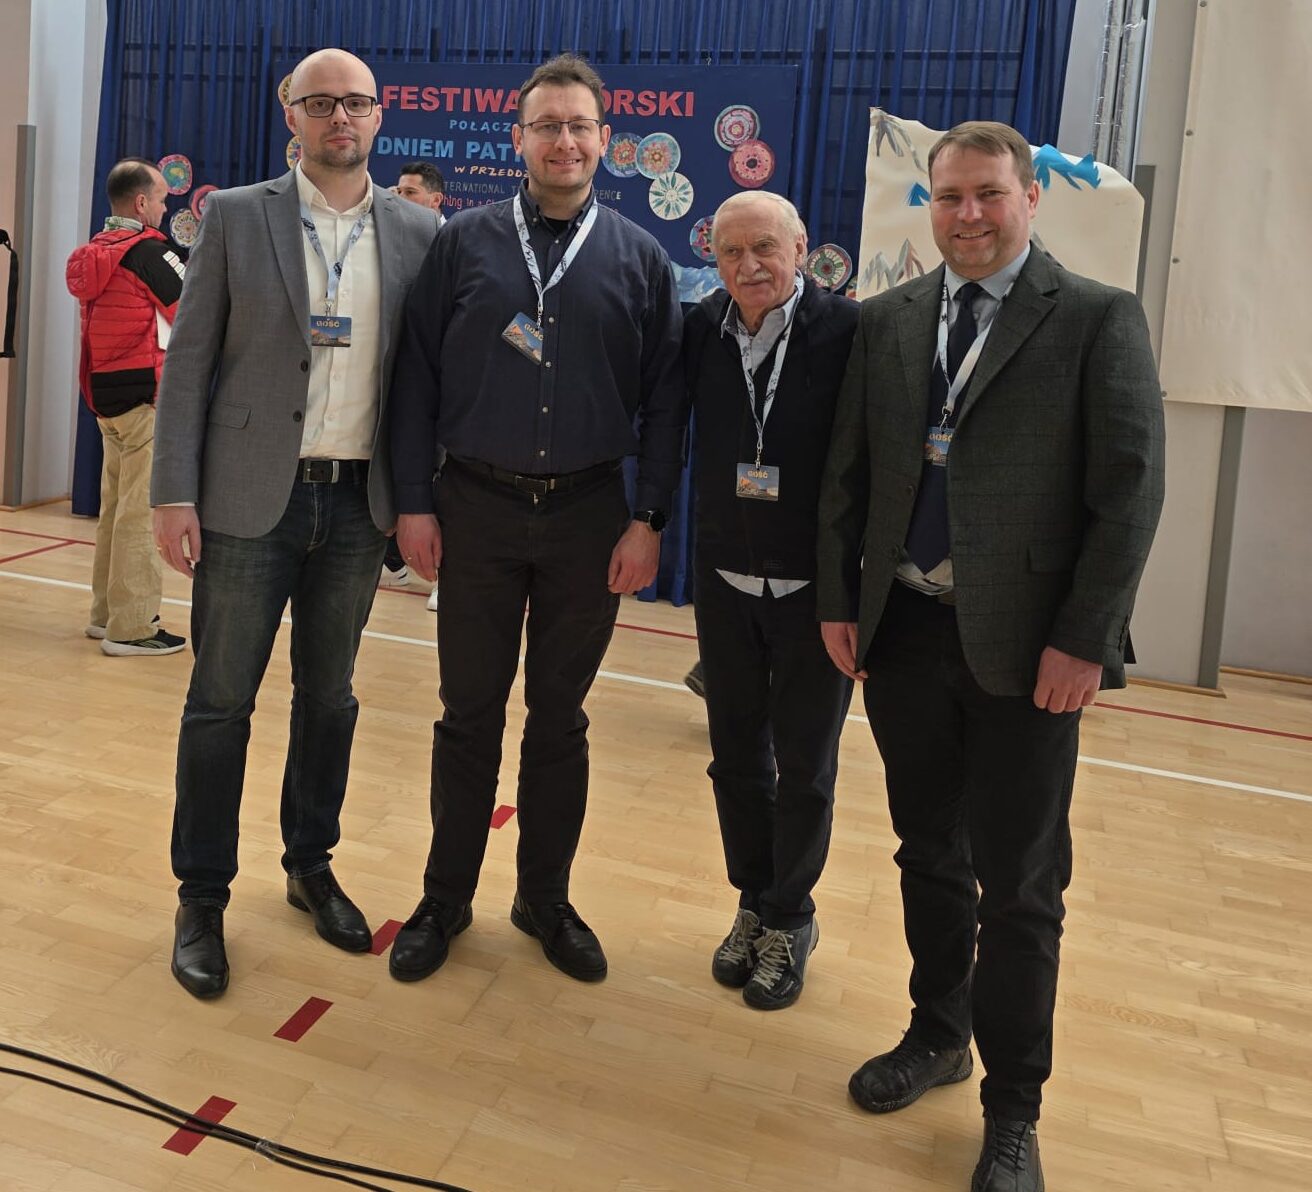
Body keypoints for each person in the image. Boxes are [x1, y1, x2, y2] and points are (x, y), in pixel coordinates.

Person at [817, 121, 1165, 1191]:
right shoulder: (888, 319)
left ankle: (1014, 1110)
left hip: (1029, 653)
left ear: (1029, 199)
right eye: (949, 196)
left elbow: (1129, 496)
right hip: (905, 633)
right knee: (927, 852)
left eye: (988, 194)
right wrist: (842, 603)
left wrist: (1083, 640)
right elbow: (847, 476)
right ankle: (938, 1033)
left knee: (1019, 889)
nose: (967, 214)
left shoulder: (1096, 318)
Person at [386, 54, 684, 985]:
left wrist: (649, 518)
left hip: (589, 518)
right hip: (473, 509)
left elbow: (666, 404)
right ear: (517, 139)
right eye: (546, 125)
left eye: (579, 125)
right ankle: (444, 898)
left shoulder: (640, 259)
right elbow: (414, 378)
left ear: (605, 140)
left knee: (560, 721)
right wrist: (413, 502)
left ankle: (544, 899)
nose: (563, 140)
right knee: (467, 715)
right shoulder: (462, 243)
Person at [150, 48, 440, 999]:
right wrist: (172, 491)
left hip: (358, 505)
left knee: (331, 700)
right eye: (321, 103)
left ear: (379, 115)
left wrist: (423, 500)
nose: (339, 118)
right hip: (244, 501)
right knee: (219, 703)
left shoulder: (418, 230)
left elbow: (426, 381)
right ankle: (202, 895)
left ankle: (310, 864)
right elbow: (189, 361)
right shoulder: (237, 216)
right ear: (292, 115)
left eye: (355, 103)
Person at [685, 192, 857, 1010]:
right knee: (734, 757)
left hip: (815, 592)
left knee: (806, 767)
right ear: (714, 259)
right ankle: (753, 899)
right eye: (731, 252)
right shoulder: (701, 330)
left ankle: (793, 915)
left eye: (764, 247)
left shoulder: (849, 333)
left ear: (800, 248)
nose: (749, 265)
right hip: (725, 581)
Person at [65, 158, 186, 656]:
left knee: (115, 508)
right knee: (139, 513)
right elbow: (193, 311)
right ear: (140, 203)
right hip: (143, 397)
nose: (165, 208)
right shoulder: (150, 253)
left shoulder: (94, 252)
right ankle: (131, 628)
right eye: (160, 199)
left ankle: (104, 615)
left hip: (103, 395)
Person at [380, 160, 446, 608]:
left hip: (447, 387)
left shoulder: (458, 243)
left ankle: (444, 575)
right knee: (393, 469)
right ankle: (394, 560)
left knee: (443, 479)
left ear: (435, 200)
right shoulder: (390, 240)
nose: (398, 199)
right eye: (396, 191)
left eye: (409, 193)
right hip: (399, 377)